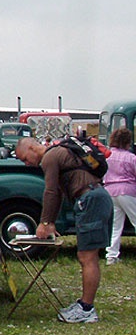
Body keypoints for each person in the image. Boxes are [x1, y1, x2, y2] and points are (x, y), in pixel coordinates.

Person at [15, 136, 114, 323]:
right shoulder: (59, 153)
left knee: (87, 257)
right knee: (87, 256)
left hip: (90, 199)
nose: (27, 164)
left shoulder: (50, 157)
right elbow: (59, 193)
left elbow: (51, 191)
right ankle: (84, 305)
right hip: (95, 197)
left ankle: (87, 309)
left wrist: (45, 223)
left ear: (32, 148)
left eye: (25, 159)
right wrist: (50, 222)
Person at [102, 128, 136, 265]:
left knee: (115, 225)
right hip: (127, 191)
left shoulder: (107, 156)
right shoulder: (131, 157)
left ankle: (111, 255)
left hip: (110, 191)